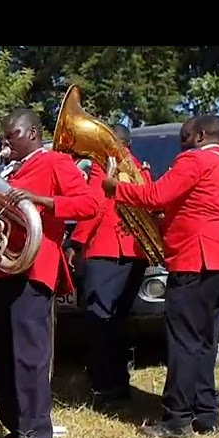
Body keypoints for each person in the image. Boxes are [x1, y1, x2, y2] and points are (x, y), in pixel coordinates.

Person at [104, 114, 219, 438]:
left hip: (195, 259)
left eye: (185, 135)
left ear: (200, 136)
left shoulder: (195, 160)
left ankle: (177, 419)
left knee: (184, 340)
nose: (181, 142)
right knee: (205, 340)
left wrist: (117, 189)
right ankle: (206, 414)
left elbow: (156, 195)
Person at [0, 108, 101, 438]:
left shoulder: (54, 161)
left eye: (13, 135)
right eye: (4, 136)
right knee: (4, 357)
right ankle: (16, 429)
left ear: (34, 133)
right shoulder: (6, 170)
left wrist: (43, 201)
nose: (6, 142)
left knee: (29, 357)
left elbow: (90, 204)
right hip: (1, 269)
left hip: (33, 268)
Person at [72, 124, 153, 403]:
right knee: (118, 319)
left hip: (106, 250)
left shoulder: (104, 166)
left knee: (100, 318)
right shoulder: (142, 169)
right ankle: (118, 381)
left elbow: (94, 207)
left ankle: (105, 383)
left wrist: (77, 242)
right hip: (135, 254)